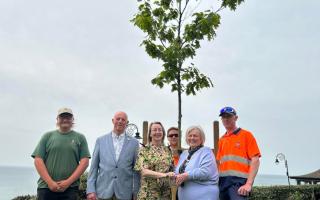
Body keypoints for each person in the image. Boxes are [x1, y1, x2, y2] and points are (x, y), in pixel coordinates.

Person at [32, 107, 91, 200]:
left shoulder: (80, 138)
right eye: (62, 117)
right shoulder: (47, 136)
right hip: (46, 188)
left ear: (73, 119)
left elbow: (85, 162)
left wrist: (68, 182)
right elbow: (38, 160)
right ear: (57, 119)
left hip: (70, 189)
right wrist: (50, 182)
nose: (65, 119)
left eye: (68, 117)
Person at [86, 111, 140, 200]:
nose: (120, 121)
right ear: (112, 120)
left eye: (123, 119)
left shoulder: (134, 143)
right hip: (103, 191)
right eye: (118, 119)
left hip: (125, 193)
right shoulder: (100, 140)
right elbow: (94, 168)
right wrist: (91, 190)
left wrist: (136, 192)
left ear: (127, 123)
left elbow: (136, 170)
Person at [216, 107, 261, 200]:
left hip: (239, 184)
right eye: (223, 117)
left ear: (236, 118)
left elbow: (255, 160)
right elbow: (218, 163)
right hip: (223, 183)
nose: (226, 119)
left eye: (228, 116)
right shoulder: (221, 139)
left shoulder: (246, 135)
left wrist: (249, 184)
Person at [175, 126, 219, 200]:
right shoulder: (184, 154)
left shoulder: (206, 151)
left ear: (201, 139)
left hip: (205, 196)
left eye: (195, 136)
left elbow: (206, 172)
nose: (192, 138)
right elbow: (178, 172)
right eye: (190, 136)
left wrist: (187, 175)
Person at [134, 122, 175, 200]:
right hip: (148, 195)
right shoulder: (144, 150)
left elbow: (172, 170)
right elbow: (144, 172)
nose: (157, 132)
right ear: (150, 134)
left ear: (163, 133)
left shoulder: (168, 150)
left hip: (165, 195)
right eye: (154, 130)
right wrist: (165, 175)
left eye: (160, 130)